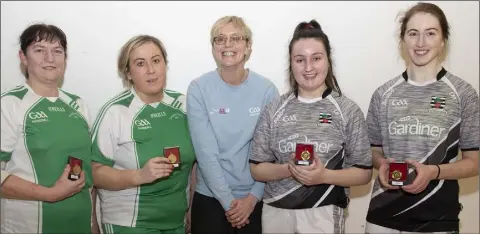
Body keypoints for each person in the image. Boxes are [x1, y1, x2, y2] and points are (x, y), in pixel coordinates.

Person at [249, 19, 373, 234]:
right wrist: (288, 169)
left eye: (316, 58)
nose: (308, 68)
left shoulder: (347, 110)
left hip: (323, 211)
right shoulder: (274, 108)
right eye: (300, 60)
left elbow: (363, 173)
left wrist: (324, 176)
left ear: (327, 60)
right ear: (291, 63)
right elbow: (256, 169)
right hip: (275, 211)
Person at [365, 2, 479, 233]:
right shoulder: (383, 94)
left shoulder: (463, 93)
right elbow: (373, 151)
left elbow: (474, 162)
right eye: (413, 33)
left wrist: (433, 172)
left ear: (443, 40)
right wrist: (382, 164)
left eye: (430, 33)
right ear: (403, 39)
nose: (420, 43)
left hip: (437, 218)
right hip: (382, 216)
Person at [90, 35, 196, 234]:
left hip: (177, 223)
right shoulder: (115, 111)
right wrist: (140, 175)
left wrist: (192, 208)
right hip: (129, 224)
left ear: (165, 64)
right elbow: (94, 172)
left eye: (156, 60)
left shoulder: (185, 105)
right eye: (140, 64)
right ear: (128, 73)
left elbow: (196, 164)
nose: (151, 70)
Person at [0, 23, 98, 233]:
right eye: (39, 50)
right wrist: (48, 194)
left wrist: (93, 223)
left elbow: (87, 173)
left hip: (79, 226)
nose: (50, 58)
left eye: (57, 51)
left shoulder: (78, 105)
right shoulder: (9, 104)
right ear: (23, 57)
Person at [187, 16, 279, 234]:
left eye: (235, 38)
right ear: (213, 48)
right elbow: (206, 153)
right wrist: (229, 203)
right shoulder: (199, 89)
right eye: (220, 39)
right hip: (211, 199)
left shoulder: (267, 90)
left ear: (248, 47)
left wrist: (252, 198)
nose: (228, 45)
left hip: (255, 199)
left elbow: (271, 151)